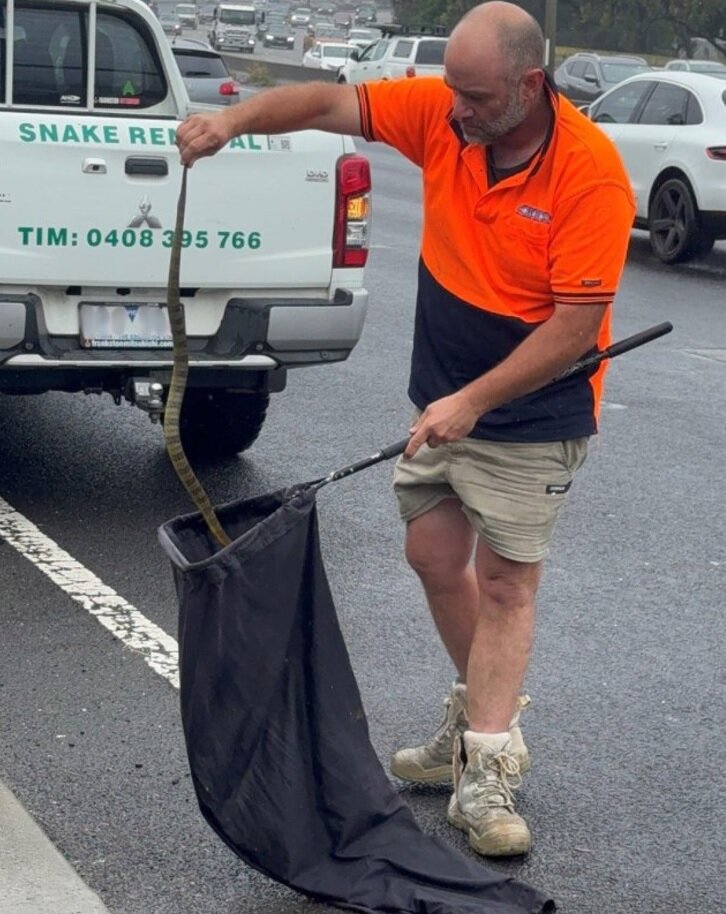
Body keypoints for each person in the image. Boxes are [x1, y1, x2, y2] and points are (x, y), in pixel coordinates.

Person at [177, 1, 635, 859]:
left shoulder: (590, 175)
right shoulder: (444, 115)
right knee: (432, 558)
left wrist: (474, 402)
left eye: (475, 94)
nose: (454, 108)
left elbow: (576, 326)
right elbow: (322, 105)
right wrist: (231, 121)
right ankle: (471, 730)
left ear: (530, 86)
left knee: (504, 585)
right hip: (445, 401)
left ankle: (491, 772)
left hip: (533, 414)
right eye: (452, 90)